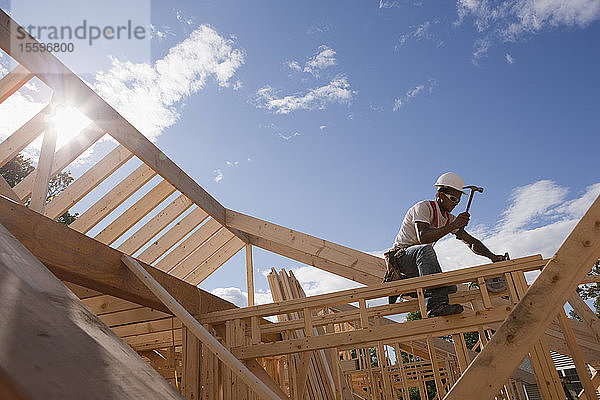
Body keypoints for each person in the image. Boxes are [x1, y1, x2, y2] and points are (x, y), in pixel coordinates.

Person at [384, 172, 509, 317]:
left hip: (417, 265)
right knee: (426, 250)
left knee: (450, 287)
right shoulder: (424, 207)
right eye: (453, 199)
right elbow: (423, 236)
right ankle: (435, 307)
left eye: (458, 201)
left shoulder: (448, 219)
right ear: (440, 195)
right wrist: (454, 225)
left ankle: (403, 286)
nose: (455, 204)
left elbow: (471, 242)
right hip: (401, 258)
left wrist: (492, 257)